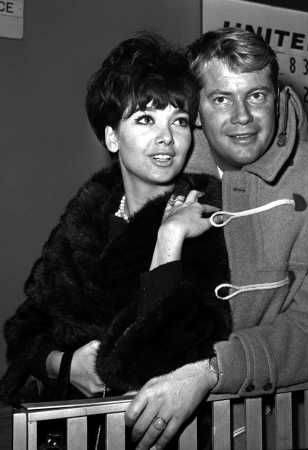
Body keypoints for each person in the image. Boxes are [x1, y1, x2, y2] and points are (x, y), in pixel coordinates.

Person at [124, 28, 308, 449]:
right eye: (222, 98)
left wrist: (211, 371)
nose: (242, 116)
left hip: (280, 426)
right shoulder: (158, 164)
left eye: (256, 96)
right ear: (197, 107)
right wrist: (63, 360)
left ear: (276, 97)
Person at [0, 33, 231, 433]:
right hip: (70, 431)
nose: (167, 138)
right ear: (112, 137)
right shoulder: (87, 216)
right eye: (145, 119)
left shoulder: (209, 214)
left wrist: (168, 242)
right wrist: (65, 365)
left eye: (178, 121)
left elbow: (163, 359)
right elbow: (25, 330)